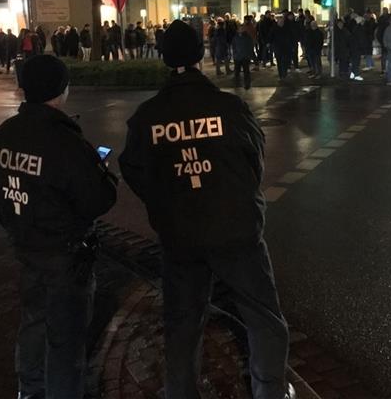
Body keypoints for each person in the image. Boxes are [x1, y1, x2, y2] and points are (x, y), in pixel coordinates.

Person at [118, 21, 294, 399]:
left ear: (165, 58)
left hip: (180, 235)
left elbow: (132, 169)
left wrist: (165, 201)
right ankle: (271, 392)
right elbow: (254, 161)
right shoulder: (228, 107)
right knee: (265, 319)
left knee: (183, 323)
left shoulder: (148, 117)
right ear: (202, 54)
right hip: (236, 231)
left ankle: (180, 393)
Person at [0, 55, 117, 399]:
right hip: (65, 254)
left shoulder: (2, 136)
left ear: (23, 89)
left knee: (33, 323)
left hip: (25, 245)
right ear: (62, 89)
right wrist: (100, 171)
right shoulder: (66, 142)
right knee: (66, 340)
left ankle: (29, 390)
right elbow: (98, 200)